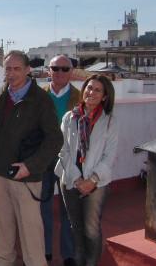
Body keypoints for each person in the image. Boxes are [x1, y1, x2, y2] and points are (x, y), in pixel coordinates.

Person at [0, 50, 63, 266]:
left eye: (16, 69)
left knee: (30, 229)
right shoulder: (3, 92)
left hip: (26, 177)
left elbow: (54, 139)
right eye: (8, 69)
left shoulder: (41, 100)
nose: (11, 73)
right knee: (2, 225)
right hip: (1, 173)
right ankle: (4, 261)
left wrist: (30, 166)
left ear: (27, 70)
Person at [56, 74, 117, 266]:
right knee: (75, 227)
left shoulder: (109, 122)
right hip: (71, 180)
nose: (91, 92)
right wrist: (77, 180)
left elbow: (110, 155)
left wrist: (92, 180)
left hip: (96, 183)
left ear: (105, 96)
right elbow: (63, 150)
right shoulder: (70, 117)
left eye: (97, 90)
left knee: (91, 229)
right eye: (89, 88)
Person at [41, 55, 80, 266]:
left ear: (71, 72)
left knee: (68, 210)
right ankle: (44, 252)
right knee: (42, 209)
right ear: (48, 70)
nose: (59, 72)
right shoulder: (38, 95)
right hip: (43, 160)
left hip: (69, 161)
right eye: (55, 68)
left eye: (65, 69)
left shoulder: (81, 97)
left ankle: (69, 255)